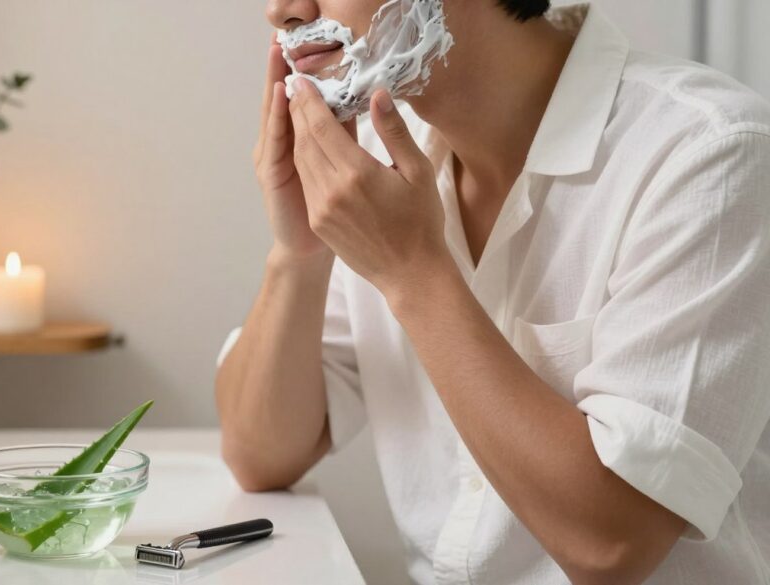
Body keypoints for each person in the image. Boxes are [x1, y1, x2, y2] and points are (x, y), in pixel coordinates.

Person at [215, 1, 770, 583]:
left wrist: (412, 273)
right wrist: (300, 252)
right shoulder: (376, 167)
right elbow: (259, 453)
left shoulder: (711, 152)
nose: (283, 9)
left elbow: (612, 547)